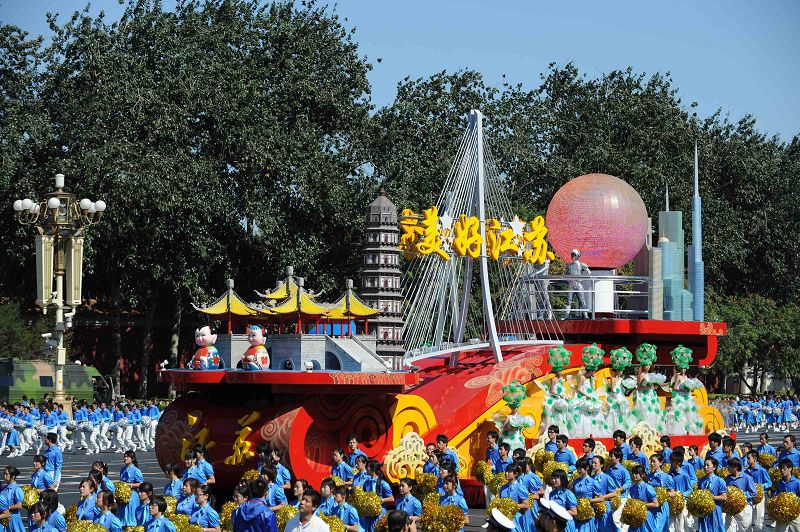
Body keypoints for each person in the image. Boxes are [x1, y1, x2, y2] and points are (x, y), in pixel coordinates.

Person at [571, 458, 603, 532]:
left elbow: (601, 498)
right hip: (577, 513)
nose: (578, 470)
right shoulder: (575, 481)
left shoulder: (593, 482)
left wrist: (588, 501)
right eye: (577, 468)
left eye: (580, 468)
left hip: (587, 514)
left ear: (587, 468)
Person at [724, 457, 755, 532]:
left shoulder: (747, 477)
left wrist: (739, 495)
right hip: (730, 508)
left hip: (744, 508)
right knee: (729, 529)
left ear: (735, 467)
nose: (727, 467)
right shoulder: (727, 478)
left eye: (729, 465)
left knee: (744, 529)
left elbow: (753, 492)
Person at [696, 457, 727, 532]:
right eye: (704, 465)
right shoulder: (701, 480)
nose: (705, 467)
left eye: (708, 465)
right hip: (703, 511)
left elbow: (724, 497)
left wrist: (712, 497)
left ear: (714, 467)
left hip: (715, 510)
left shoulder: (720, 480)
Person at [745, 449, 772, 532]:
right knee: (748, 521)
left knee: (758, 522)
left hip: (759, 498)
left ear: (755, 458)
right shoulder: (745, 471)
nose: (747, 460)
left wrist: (760, 486)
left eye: (749, 458)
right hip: (749, 498)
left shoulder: (762, 470)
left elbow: (769, 483)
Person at [498, 463, 529, 532]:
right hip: (503, 517)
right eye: (506, 471)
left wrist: (511, 505)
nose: (506, 473)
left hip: (515, 518)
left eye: (509, 472)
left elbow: (526, 505)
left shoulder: (520, 487)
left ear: (516, 474)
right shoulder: (502, 488)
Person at [628, 464, 659, 532]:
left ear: (642, 475)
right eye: (633, 473)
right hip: (635, 517)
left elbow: (656, 504)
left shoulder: (648, 487)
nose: (634, 475)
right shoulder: (632, 488)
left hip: (646, 517)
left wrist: (641, 505)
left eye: (637, 473)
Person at [773, 458, 800, 532]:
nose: (782, 470)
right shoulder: (780, 483)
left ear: (790, 469)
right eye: (781, 468)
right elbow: (777, 496)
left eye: (784, 469)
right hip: (782, 514)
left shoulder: (797, 483)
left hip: (795, 514)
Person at [564, 249, 590, 319]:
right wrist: (568, 280)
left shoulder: (582, 265)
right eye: (572, 255)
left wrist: (584, 278)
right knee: (569, 301)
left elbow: (588, 272)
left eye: (574, 255)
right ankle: (566, 315)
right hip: (571, 284)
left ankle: (585, 315)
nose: (572, 256)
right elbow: (565, 274)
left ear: (577, 256)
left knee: (582, 301)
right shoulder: (569, 265)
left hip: (579, 285)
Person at [0, 466, 25, 532]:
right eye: (4, 474)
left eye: (6, 474)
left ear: (13, 476)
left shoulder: (17, 489)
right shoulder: (3, 488)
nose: (4, 476)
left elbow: (20, 505)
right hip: (4, 518)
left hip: (13, 518)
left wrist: (8, 507)